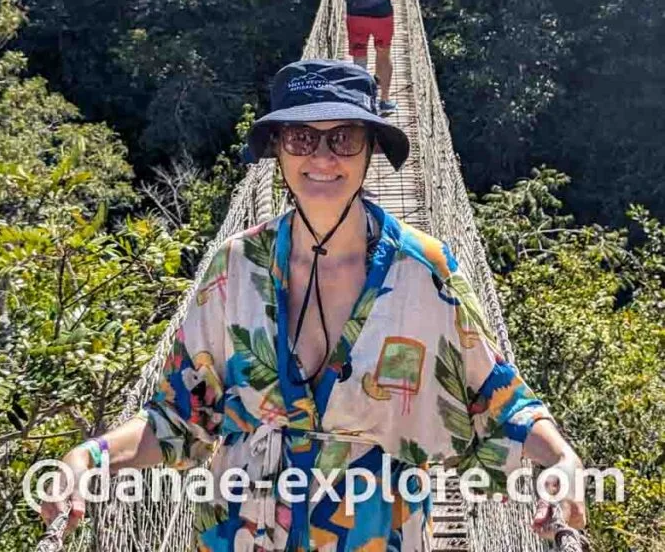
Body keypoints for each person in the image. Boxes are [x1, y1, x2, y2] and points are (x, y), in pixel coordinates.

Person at [39, 59, 587, 550]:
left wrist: (563, 460)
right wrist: (90, 457)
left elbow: (494, 400)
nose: (322, 157)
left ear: (371, 148)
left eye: (343, 138)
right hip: (242, 532)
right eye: (301, 137)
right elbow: (182, 415)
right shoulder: (235, 268)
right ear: (276, 148)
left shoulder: (425, 272)